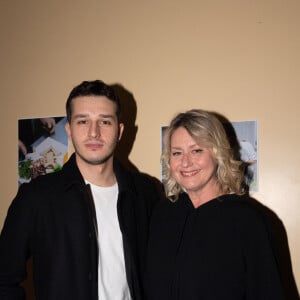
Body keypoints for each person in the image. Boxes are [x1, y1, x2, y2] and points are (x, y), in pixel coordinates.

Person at [0, 80, 160, 300]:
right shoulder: (36, 197)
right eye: (82, 121)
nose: (93, 133)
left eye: (104, 122)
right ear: (69, 129)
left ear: (119, 130)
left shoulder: (145, 193)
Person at [144, 109, 284, 299]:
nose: (185, 162)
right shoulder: (162, 214)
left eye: (196, 150)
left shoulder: (247, 220)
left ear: (217, 153)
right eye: (177, 153)